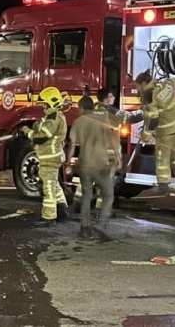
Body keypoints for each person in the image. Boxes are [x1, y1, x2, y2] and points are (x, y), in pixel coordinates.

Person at [72, 89, 143, 216]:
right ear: (105, 99)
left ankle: (79, 203)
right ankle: (100, 210)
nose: (114, 98)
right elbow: (131, 117)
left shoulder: (89, 110)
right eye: (111, 95)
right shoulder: (110, 113)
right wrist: (148, 110)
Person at [65, 96, 117, 239]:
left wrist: (68, 163)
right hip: (101, 164)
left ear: (81, 108)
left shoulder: (77, 122)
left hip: (85, 164)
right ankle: (101, 225)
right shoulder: (102, 119)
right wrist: (118, 156)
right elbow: (112, 137)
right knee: (108, 194)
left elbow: (72, 145)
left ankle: (85, 227)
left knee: (86, 195)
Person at [134, 68, 175, 195]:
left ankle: (163, 186)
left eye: (137, 86)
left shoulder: (148, 96)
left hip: (167, 131)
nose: (138, 90)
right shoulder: (166, 83)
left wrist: (146, 134)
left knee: (162, 158)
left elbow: (153, 120)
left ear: (143, 84)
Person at [21, 86, 69, 227]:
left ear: (51, 102)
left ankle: (48, 217)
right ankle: (62, 210)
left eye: (44, 103)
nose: (42, 106)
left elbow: (42, 137)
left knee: (48, 186)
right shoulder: (54, 116)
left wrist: (28, 132)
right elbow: (43, 128)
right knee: (54, 184)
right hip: (52, 156)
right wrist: (35, 126)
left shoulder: (54, 117)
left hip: (50, 158)